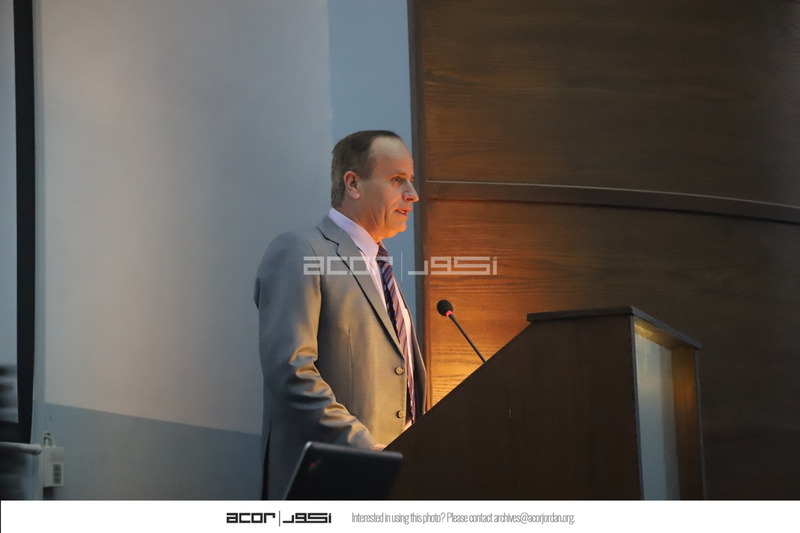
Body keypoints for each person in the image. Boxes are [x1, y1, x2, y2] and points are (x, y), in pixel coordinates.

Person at [254, 130, 426, 499]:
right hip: (330, 481)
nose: (413, 194)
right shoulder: (301, 250)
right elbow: (291, 371)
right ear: (353, 184)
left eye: (410, 180)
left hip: (394, 481)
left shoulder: (380, 265)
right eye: (397, 179)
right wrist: (366, 448)